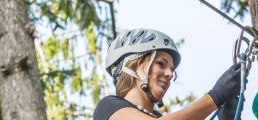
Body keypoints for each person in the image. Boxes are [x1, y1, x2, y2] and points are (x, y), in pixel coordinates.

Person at [95, 28, 245, 120]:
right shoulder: (108, 108)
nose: (170, 74)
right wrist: (215, 98)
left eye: (172, 70)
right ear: (134, 65)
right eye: (161, 64)